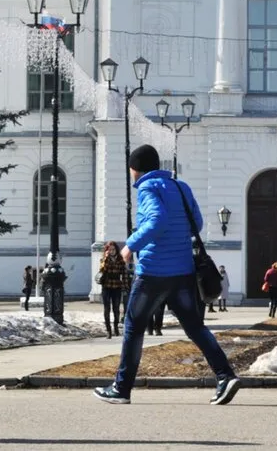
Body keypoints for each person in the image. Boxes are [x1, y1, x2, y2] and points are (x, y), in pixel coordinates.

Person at [94, 144, 241, 406]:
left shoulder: (148, 189)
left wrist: (130, 245)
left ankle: (121, 387)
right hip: (183, 271)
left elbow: (157, 220)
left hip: (153, 273)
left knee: (133, 327)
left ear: (135, 169)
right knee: (195, 327)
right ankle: (225, 376)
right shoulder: (180, 187)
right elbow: (196, 223)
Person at [99, 241, 130, 338]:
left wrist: (125, 287)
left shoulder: (121, 260)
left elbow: (124, 274)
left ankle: (116, 327)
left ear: (116, 250)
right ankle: (108, 330)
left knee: (116, 309)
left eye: (113, 249)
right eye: (110, 250)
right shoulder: (104, 260)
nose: (112, 251)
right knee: (106, 309)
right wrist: (106, 258)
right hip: (106, 286)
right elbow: (102, 270)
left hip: (117, 286)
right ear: (107, 251)